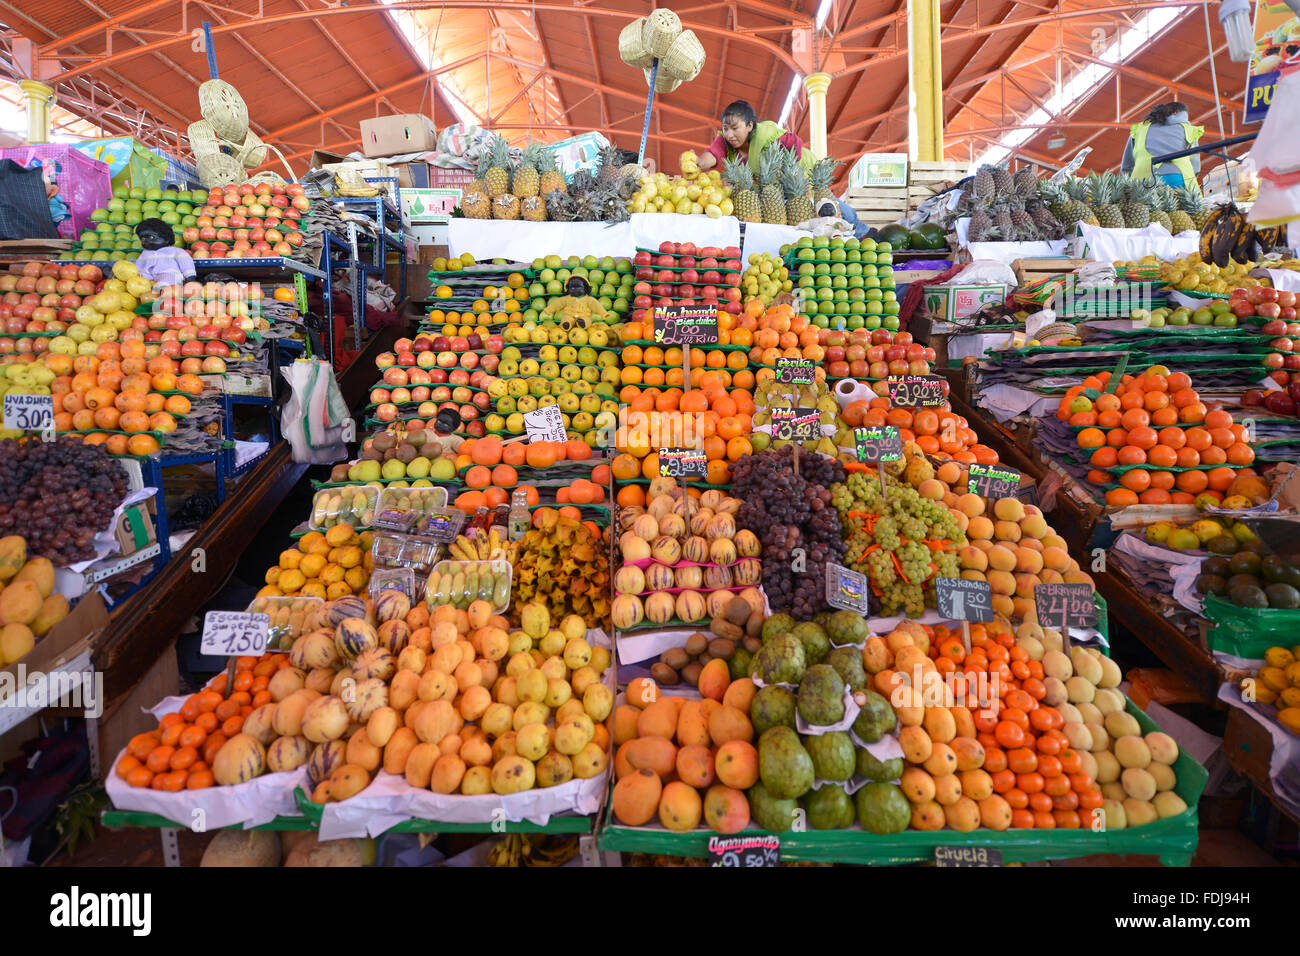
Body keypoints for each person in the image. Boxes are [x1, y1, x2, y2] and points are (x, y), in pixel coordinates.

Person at [695, 100, 812, 174]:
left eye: (735, 128)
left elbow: (795, 142)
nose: (729, 135)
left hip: (806, 169)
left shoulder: (766, 135)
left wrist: (792, 173)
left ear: (749, 125)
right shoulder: (724, 141)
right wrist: (698, 162)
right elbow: (713, 153)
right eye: (725, 128)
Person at [1121, 103, 1204, 192]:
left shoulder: (1139, 129)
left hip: (1143, 180)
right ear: (1178, 112)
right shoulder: (1188, 129)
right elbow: (1195, 163)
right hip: (1178, 177)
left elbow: (1127, 164)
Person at [133, 218, 196, 288]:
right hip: (148, 280)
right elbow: (138, 267)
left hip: (169, 275)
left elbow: (186, 263)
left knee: (169, 279)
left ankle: (162, 290)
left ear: (166, 239)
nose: (144, 241)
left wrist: (190, 276)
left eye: (151, 237)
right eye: (142, 238)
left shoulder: (175, 251)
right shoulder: (144, 255)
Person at [539, 275, 610, 330]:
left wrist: (603, 313)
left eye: (579, 287)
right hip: (569, 315)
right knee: (566, 318)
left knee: (587, 320)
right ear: (568, 289)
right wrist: (549, 310)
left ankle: (583, 323)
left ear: (585, 288)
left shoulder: (589, 300)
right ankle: (566, 324)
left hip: (584, 315)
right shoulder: (566, 299)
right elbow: (557, 304)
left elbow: (596, 306)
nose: (575, 290)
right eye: (572, 288)